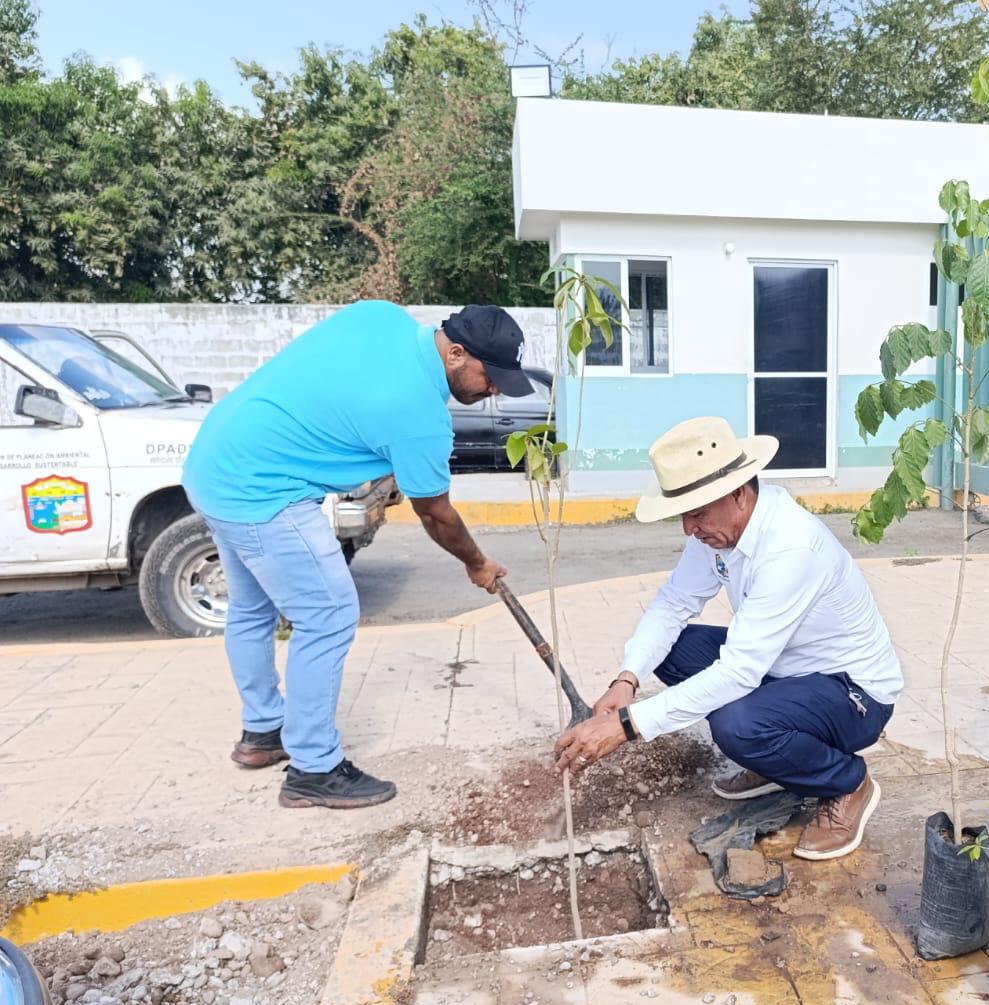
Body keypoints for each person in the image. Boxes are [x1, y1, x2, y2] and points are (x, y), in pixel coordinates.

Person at [184, 302, 532, 809]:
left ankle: (262, 733)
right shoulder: (419, 414)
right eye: (491, 376)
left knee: (253, 609)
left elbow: (338, 396)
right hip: (262, 491)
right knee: (328, 613)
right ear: (455, 352)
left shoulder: (381, 316)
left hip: (213, 461)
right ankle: (313, 767)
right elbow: (435, 514)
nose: (495, 390)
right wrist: (477, 563)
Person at [553, 417, 903, 861]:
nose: (688, 528)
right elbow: (674, 603)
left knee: (737, 726)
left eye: (697, 514)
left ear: (739, 493)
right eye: (683, 514)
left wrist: (626, 726)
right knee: (673, 649)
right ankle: (778, 761)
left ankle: (847, 783)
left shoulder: (791, 549)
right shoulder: (719, 533)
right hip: (786, 670)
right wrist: (627, 680)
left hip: (854, 694)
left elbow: (739, 672)